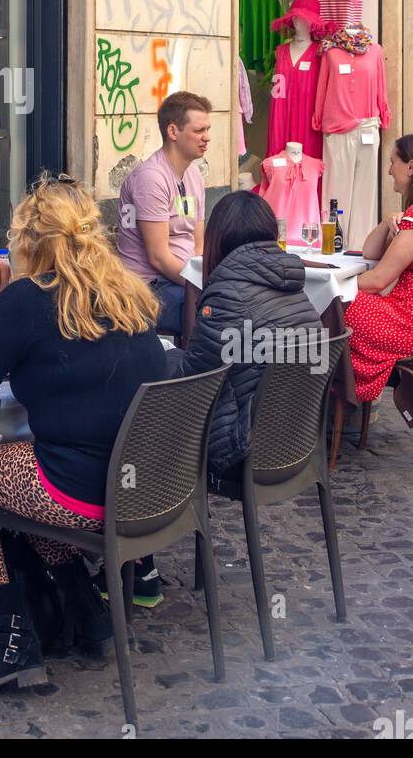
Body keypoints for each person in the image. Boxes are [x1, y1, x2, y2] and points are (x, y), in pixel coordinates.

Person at [0, 173, 172, 696]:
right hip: (152, 489)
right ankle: (88, 612)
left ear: (26, 242)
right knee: (25, 470)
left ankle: (8, 640)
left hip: (88, 493)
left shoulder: (28, 300)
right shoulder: (124, 290)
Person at [168, 192, 321, 477]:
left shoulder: (227, 294)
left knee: (159, 375)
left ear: (217, 238)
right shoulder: (291, 284)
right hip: (297, 439)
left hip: (243, 448)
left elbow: (193, 383)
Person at [116, 91, 211, 335]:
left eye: (207, 130)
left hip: (182, 281)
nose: (206, 138)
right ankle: (198, 371)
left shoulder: (194, 175)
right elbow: (158, 257)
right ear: (173, 132)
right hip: (148, 286)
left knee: (236, 304)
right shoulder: (151, 178)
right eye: (199, 131)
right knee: (215, 312)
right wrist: (202, 285)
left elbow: (198, 246)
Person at [344, 134, 413, 404]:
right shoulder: (407, 219)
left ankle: (331, 393)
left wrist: (335, 284)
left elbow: (378, 279)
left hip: (404, 323)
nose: (389, 170)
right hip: (402, 316)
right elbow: (370, 253)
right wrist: (387, 223)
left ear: (410, 168)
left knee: (336, 309)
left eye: (393, 162)